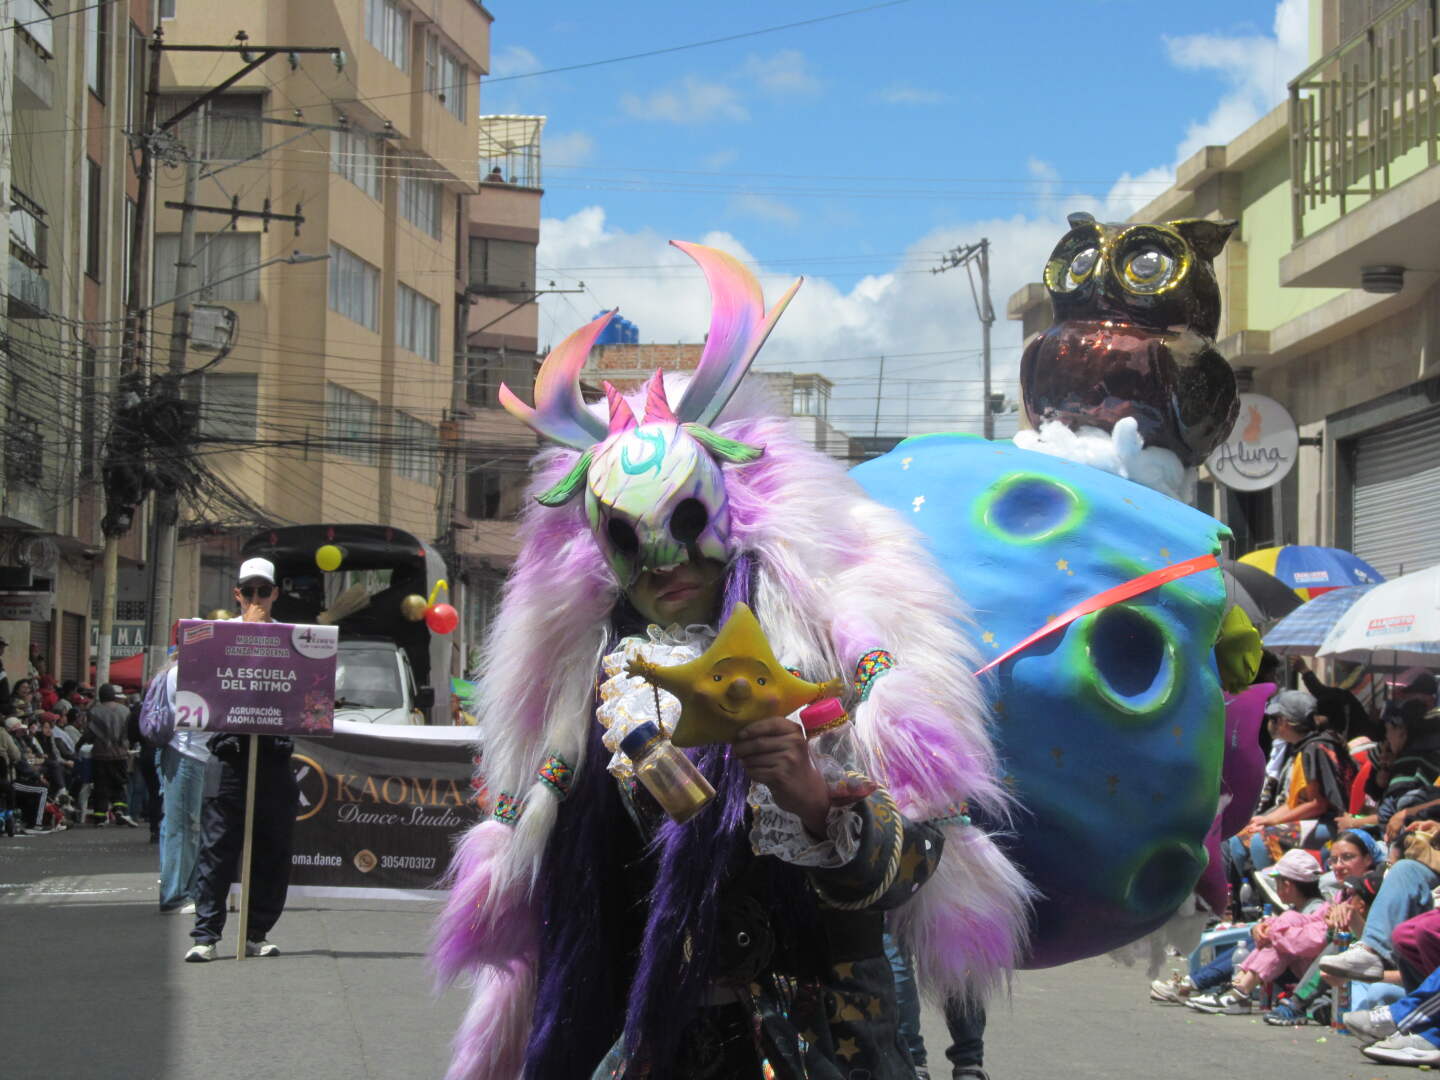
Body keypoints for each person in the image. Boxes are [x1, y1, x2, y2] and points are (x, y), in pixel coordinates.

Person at [432, 245, 1032, 1079]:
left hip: (809, 1043)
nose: (665, 563)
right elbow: (561, 898)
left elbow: (913, 864)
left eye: (684, 524)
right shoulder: (585, 689)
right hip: (644, 1037)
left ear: (727, 506)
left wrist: (814, 798)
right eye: (629, 540)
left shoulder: (817, 652)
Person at [185, 557, 299, 962]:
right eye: (248, 591)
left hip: (273, 755)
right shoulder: (216, 637)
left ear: (274, 593)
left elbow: (310, 694)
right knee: (216, 849)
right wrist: (248, 634)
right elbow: (199, 687)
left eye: (262, 591)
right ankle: (206, 935)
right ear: (237, 594)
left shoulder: (293, 640)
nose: (255, 599)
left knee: (272, 849)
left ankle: (256, 932)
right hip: (230, 755)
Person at [1188, 850, 1331, 1014]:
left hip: (1310, 975)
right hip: (1296, 969)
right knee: (1270, 939)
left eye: (1277, 882)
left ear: (1286, 885)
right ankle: (1236, 986)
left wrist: (1273, 932)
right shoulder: (1297, 908)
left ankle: (1238, 992)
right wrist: (1261, 929)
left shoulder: (1318, 910)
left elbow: (1309, 942)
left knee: (1278, 943)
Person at [142, 643, 213, 914]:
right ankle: (176, 895)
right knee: (183, 827)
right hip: (187, 754)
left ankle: (182, 891)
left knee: (181, 826)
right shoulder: (187, 672)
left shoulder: (181, 670)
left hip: (187, 754)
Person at [78, 684, 138, 827]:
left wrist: (79, 744)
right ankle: (120, 810)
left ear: (100, 696)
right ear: (113, 695)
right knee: (119, 784)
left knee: (101, 786)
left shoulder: (94, 711)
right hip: (121, 755)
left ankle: (100, 817)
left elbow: (89, 734)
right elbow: (131, 732)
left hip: (100, 755)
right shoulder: (125, 711)